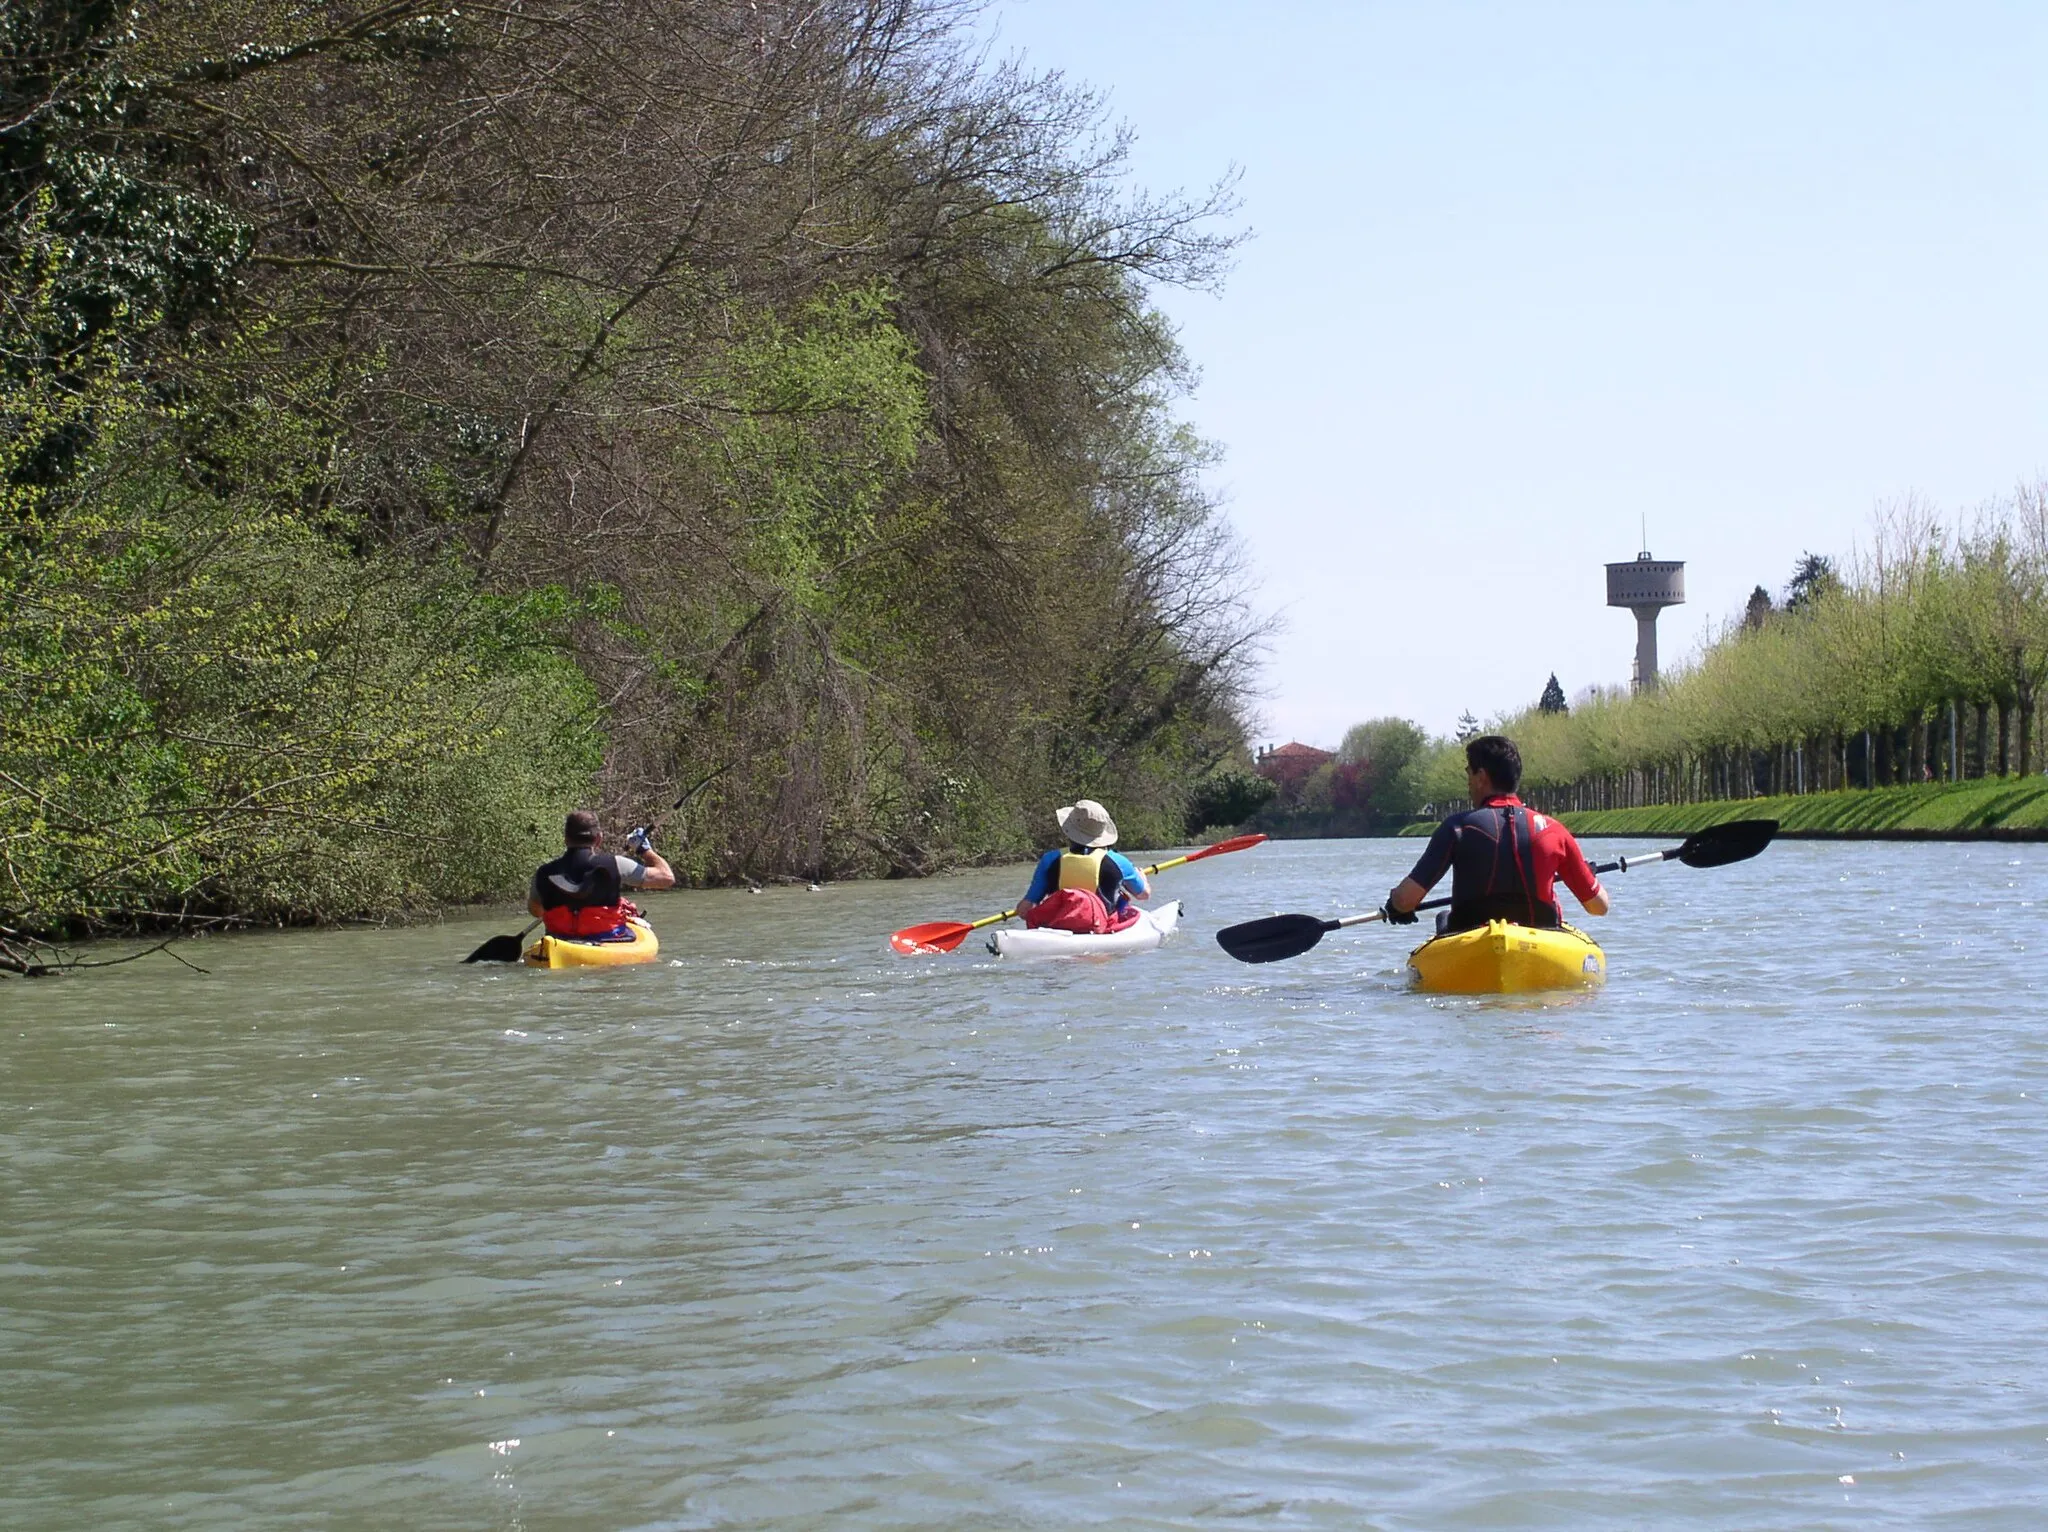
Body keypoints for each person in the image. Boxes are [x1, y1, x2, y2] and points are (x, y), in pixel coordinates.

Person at [1382, 735, 1609, 933]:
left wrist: (1396, 907)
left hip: (1472, 940)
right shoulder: (1554, 830)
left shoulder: (1457, 827)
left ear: (1481, 776)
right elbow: (1599, 907)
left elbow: (1405, 899)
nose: (1468, 783)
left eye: (1468, 774)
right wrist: (1588, 875)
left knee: (1444, 918)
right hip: (1541, 939)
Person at [528, 809, 676, 941]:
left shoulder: (543, 873)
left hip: (559, 941)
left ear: (566, 839)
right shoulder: (616, 864)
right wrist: (643, 849)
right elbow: (666, 878)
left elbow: (536, 911)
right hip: (606, 938)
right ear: (599, 838)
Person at [1015, 799, 1151, 934]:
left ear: (1069, 830)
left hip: (1057, 928)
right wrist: (1142, 879)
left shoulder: (1049, 859)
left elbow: (1025, 910)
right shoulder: (1119, 862)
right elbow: (1143, 895)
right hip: (1103, 929)